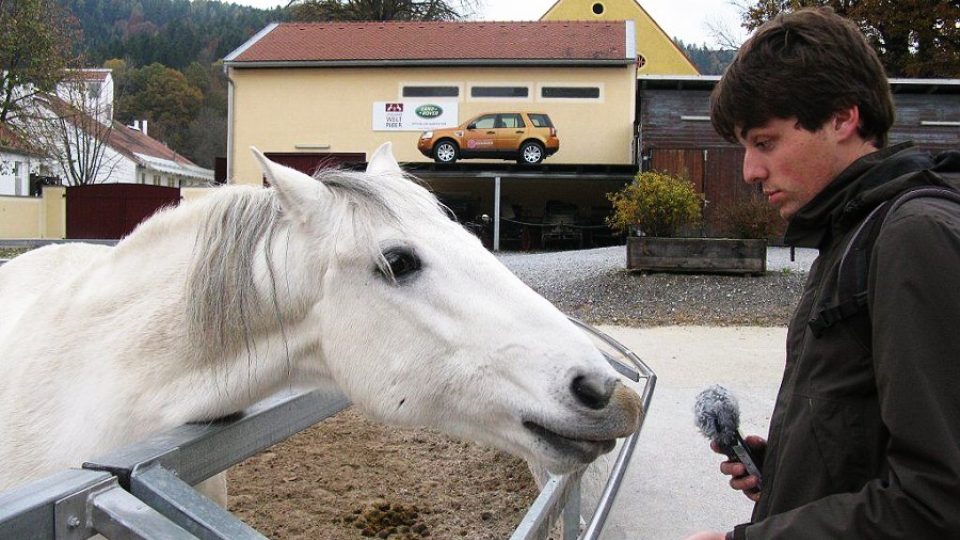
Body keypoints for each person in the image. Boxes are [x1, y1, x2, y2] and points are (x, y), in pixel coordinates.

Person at [686, 7, 960, 540]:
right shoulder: (854, 231)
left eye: (764, 142)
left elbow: (938, 504)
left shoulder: (914, 235)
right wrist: (791, 474)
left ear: (841, 118)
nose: (749, 171)